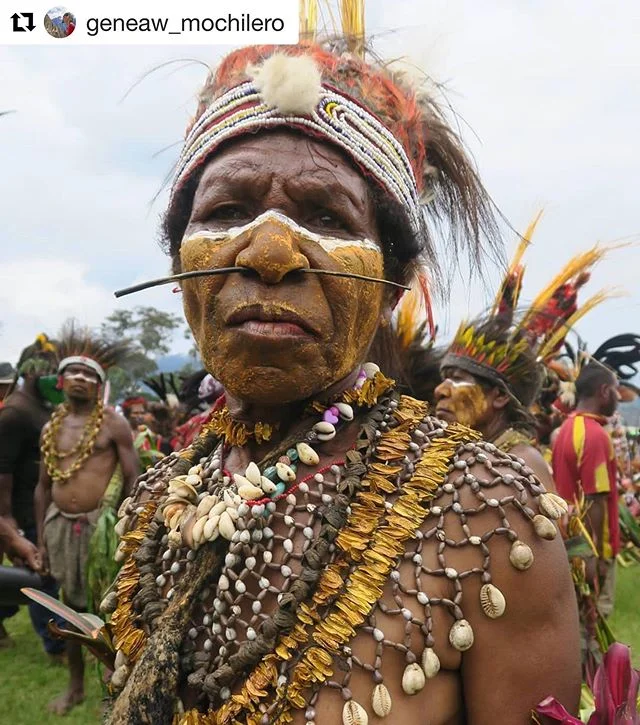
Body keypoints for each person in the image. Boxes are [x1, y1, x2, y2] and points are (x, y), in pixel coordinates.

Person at [99, 28, 579, 725]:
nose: (268, 253)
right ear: (180, 272)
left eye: (326, 215)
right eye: (227, 210)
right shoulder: (158, 504)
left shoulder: (490, 518)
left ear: (393, 286)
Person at [34, 324, 139, 714]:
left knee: (107, 608)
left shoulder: (113, 423)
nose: (81, 378)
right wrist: (42, 542)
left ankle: (115, 686)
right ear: (61, 381)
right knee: (69, 607)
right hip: (61, 527)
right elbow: (43, 488)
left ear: (99, 386)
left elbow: (133, 476)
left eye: (89, 375)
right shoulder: (50, 428)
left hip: (101, 530)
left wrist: (125, 528)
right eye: (74, 373)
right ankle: (76, 686)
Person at [0, 335, 66, 657]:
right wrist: (9, 524)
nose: (53, 378)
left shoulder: (41, 406)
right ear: (28, 372)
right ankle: (55, 643)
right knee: (42, 575)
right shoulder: (14, 412)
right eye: (46, 371)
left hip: (41, 505)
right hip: (22, 511)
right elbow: (2, 471)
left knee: (39, 574)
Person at [552, 362, 622, 621]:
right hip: (587, 548)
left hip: (568, 541)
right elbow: (595, 499)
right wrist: (600, 558)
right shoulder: (595, 436)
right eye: (616, 390)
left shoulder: (565, 429)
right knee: (593, 622)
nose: (618, 397)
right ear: (604, 391)